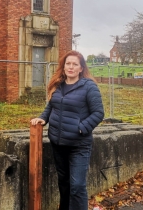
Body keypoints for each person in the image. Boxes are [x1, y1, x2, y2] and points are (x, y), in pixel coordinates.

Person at [30, 50, 104, 210]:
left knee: (77, 185)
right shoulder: (58, 84)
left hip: (79, 145)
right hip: (58, 143)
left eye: (74, 64)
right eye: (68, 64)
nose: (70, 67)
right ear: (63, 67)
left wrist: (81, 129)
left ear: (81, 68)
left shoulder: (89, 87)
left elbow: (98, 113)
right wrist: (43, 118)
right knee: (63, 183)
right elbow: (52, 104)